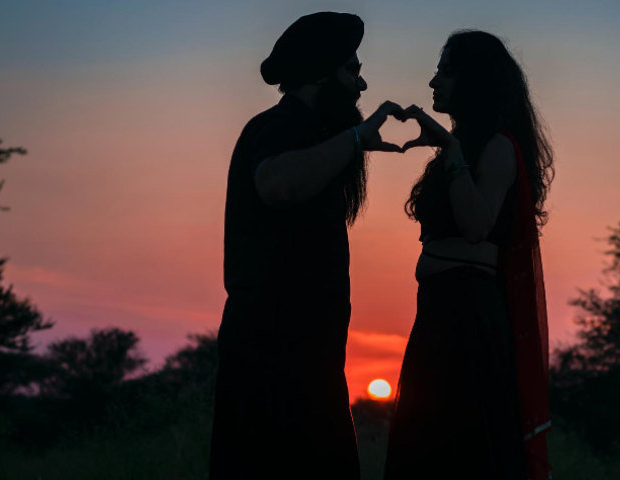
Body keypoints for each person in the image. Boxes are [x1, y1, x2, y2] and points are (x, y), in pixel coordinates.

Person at [209, 12, 404, 480]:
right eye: (351, 70)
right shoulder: (281, 126)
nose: (361, 85)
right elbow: (277, 184)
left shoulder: (315, 134)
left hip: (306, 355)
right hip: (273, 358)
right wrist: (356, 137)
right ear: (322, 74)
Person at [384, 30, 555, 480]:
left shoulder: (497, 147)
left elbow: (477, 227)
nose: (433, 82)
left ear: (474, 81)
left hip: (470, 316)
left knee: (461, 447)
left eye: (446, 71)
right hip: (438, 310)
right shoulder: (453, 152)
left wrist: (454, 151)